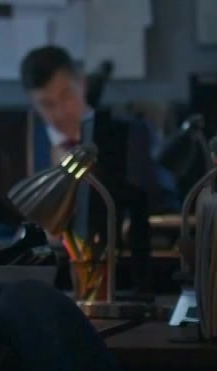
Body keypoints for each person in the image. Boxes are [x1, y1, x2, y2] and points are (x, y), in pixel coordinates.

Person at [20, 47, 176, 271]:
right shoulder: (27, 144)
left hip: (116, 265)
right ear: (33, 105)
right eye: (47, 104)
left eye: (66, 95)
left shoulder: (128, 135)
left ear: (82, 84)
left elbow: (161, 202)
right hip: (51, 266)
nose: (60, 112)